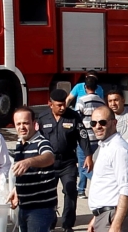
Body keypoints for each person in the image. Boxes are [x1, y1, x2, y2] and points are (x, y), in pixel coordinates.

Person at [37, 88, 92, 231]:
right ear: (50, 104)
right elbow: (36, 139)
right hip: (48, 163)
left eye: (64, 104)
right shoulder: (42, 118)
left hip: (67, 162)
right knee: (48, 193)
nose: (62, 107)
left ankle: (67, 224)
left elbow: (83, 136)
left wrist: (88, 155)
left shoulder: (73, 116)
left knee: (70, 191)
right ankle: (50, 221)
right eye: (59, 105)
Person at [87, 105, 128, 232]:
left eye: (102, 122)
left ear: (114, 123)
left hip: (112, 218)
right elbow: (107, 186)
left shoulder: (118, 149)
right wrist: (96, 218)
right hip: (104, 216)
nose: (97, 126)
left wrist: (116, 224)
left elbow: (126, 188)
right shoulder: (106, 146)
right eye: (93, 123)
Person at [9, 106, 57, 232]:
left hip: (40, 208)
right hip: (24, 206)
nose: (22, 127)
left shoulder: (42, 142)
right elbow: (24, 173)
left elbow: (49, 157)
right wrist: (16, 190)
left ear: (34, 124)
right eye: (18, 124)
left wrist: (29, 161)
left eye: (25, 123)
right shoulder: (20, 144)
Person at [75, 75, 106, 199]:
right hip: (97, 139)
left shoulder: (82, 100)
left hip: (84, 139)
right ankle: (81, 189)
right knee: (88, 164)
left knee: (83, 166)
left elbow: (77, 117)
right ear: (96, 87)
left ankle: (100, 184)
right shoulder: (101, 101)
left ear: (85, 87)